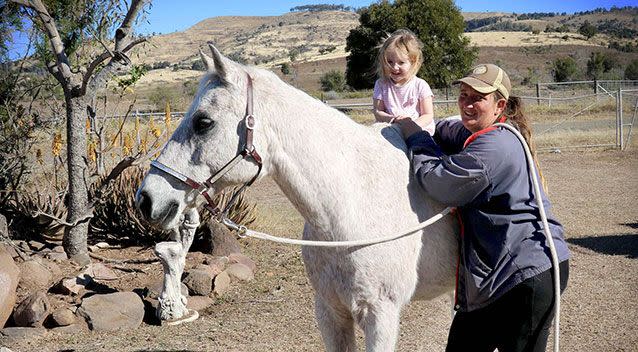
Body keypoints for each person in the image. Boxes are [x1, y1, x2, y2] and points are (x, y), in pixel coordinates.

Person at [397, 64, 570, 352]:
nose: (466, 103)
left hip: (525, 277)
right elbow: (450, 130)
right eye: (463, 95)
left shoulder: (494, 146)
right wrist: (431, 126)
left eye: (477, 98)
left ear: (499, 105)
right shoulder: (488, 131)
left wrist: (416, 136)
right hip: (496, 278)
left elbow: (438, 182)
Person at [372, 29, 435, 135]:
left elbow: (428, 115)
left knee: (420, 146)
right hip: (391, 130)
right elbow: (378, 112)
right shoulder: (381, 84)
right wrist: (393, 120)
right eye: (390, 62)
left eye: (401, 62)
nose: (394, 67)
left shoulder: (420, 85)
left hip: (418, 130)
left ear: (413, 62)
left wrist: (411, 127)